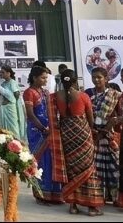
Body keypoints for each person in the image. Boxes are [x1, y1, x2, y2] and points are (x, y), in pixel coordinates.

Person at [51, 69, 103, 215]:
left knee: (71, 169)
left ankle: (73, 205)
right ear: (75, 81)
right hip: (82, 135)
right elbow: (91, 120)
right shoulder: (83, 96)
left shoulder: (55, 97)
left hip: (66, 135)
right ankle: (92, 207)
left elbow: (54, 118)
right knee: (88, 169)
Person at [24, 65, 62, 204]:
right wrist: (42, 128)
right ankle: (41, 194)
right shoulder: (29, 92)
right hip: (36, 132)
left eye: (46, 77)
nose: (45, 80)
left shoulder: (46, 92)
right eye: (43, 77)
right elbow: (30, 114)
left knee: (51, 161)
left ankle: (54, 194)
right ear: (34, 78)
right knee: (39, 162)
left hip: (49, 130)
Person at [85, 67, 121, 204]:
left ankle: (113, 196)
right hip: (92, 134)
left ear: (106, 78)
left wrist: (109, 125)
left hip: (108, 135)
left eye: (99, 77)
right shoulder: (88, 93)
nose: (96, 80)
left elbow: (119, 115)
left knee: (113, 166)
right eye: (94, 77)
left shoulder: (115, 95)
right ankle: (98, 196)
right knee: (95, 167)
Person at [0, 65, 26, 140]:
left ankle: (16, 143)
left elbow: (16, 95)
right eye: (0, 73)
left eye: (3, 72)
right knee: (3, 128)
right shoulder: (2, 84)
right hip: (3, 108)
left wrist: (9, 100)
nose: (1, 74)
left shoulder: (13, 82)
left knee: (13, 127)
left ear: (9, 73)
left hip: (11, 108)